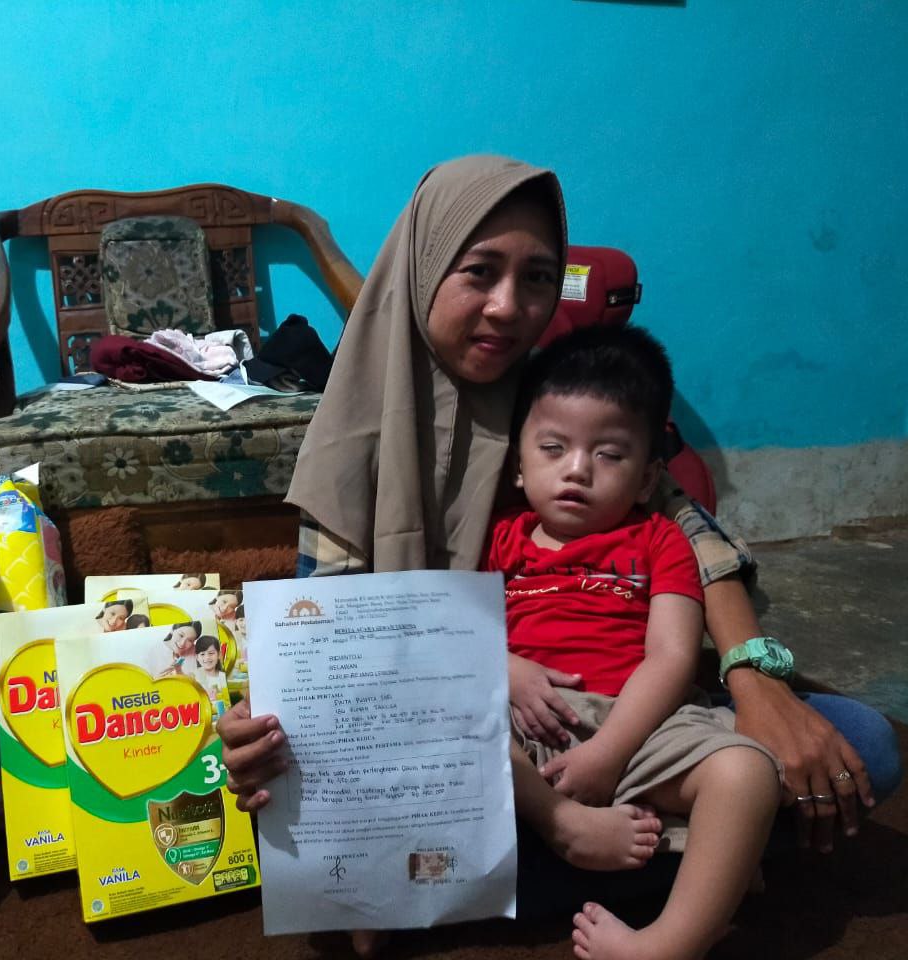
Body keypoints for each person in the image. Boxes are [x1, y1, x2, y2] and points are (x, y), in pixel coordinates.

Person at [216, 155, 899, 951]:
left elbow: (691, 539)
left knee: (862, 746)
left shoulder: (558, 397)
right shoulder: (353, 443)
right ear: (424, 268)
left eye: (538, 278)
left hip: (614, 715)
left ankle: (507, 878)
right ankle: (649, 856)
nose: (509, 307)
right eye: (479, 272)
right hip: (466, 730)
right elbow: (335, 650)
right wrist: (272, 734)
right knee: (287, 820)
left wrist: (755, 678)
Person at [492, 325, 779, 959]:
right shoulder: (500, 541)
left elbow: (673, 657)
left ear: (648, 478)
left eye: (609, 455)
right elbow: (455, 639)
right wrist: (506, 666)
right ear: (517, 464)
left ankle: (667, 945)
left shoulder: (661, 540)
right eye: (553, 447)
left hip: (642, 727)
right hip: (523, 731)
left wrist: (608, 753)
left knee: (748, 773)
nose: (577, 469)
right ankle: (566, 828)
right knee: (446, 728)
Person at [193, 635, 229, 711]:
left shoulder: (223, 677)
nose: (207, 657)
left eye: (211, 653)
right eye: (202, 654)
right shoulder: (194, 677)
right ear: (197, 657)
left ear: (219, 655)